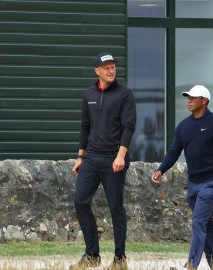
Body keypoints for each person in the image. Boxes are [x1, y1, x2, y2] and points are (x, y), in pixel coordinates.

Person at [150, 85, 213, 270]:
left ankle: (191, 265)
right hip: (193, 184)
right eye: (188, 97)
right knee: (205, 224)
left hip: (212, 182)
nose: (189, 100)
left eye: (193, 97)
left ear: (204, 101)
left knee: (197, 222)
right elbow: (173, 152)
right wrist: (160, 170)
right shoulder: (184, 126)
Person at [70, 52, 136, 270]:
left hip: (113, 159)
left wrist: (120, 156)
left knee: (115, 207)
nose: (111, 70)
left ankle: (119, 259)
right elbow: (84, 126)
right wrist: (80, 156)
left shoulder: (124, 94)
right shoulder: (88, 93)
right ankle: (92, 255)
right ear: (97, 71)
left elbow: (129, 127)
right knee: (80, 201)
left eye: (113, 66)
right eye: (106, 67)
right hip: (91, 157)